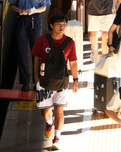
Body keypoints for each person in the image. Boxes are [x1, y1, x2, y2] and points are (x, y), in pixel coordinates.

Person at [32, 13, 79, 150]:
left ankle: (56, 138)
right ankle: (49, 123)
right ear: (51, 25)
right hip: (45, 82)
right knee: (46, 111)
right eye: (59, 24)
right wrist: (36, 78)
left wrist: (75, 80)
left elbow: (73, 63)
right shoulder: (42, 40)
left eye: (64, 24)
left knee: (59, 111)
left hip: (62, 82)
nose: (62, 27)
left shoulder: (70, 43)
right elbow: (36, 58)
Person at [9, 0, 51, 91]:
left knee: (36, 52)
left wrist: (34, 11)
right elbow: (12, 4)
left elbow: (44, 7)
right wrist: (19, 11)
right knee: (22, 51)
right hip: (21, 19)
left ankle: (37, 81)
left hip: (35, 20)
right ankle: (25, 82)